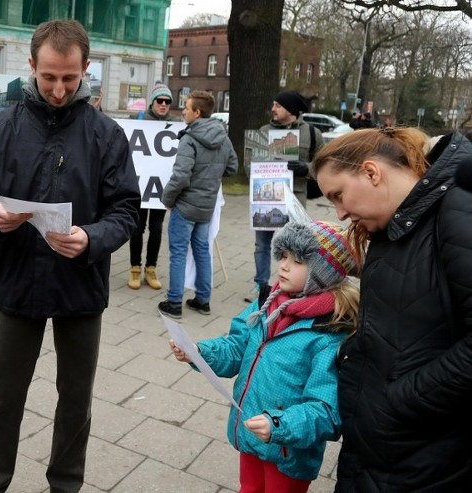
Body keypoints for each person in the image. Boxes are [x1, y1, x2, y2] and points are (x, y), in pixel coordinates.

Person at [0, 19, 140, 492]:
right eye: (48, 77)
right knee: (3, 398)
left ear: (86, 70)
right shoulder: (1, 127)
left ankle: (65, 486)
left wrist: (93, 238)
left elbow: (125, 209)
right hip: (16, 282)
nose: (59, 89)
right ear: (31, 67)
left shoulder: (106, 134)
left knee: (75, 401)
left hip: (80, 287)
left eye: (70, 78)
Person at [313, 127, 472, 491]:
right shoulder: (398, 224)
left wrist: (403, 398)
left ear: (371, 172)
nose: (338, 214)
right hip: (384, 450)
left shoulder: (458, 211)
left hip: (426, 456)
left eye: (338, 195)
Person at [170, 220, 359, 493]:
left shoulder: (329, 332)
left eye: (297, 260)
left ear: (323, 273)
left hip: (286, 449)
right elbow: (237, 348)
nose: (283, 265)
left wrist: (279, 425)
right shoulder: (268, 303)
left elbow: (327, 411)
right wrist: (198, 353)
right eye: (282, 256)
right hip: (252, 431)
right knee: (249, 487)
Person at [158, 90, 237, 318]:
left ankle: (174, 302)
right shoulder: (223, 137)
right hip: (206, 206)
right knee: (203, 251)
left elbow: (181, 175)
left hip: (185, 205)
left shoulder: (189, 139)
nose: (183, 111)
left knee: (179, 253)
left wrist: (167, 199)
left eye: (186, 107)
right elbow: (231, 168)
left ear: (197, 112)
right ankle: (203, 300)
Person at [247, 91, 324, 303]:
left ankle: (292, 286)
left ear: (290, 110)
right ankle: (261, 286)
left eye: (277, 105)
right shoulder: (263, 132)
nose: (273, 109)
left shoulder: (311, 132)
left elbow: (327, 164)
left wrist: (306, 169)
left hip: (295, 200)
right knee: (262, 245)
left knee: (293, 245)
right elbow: (249, 165)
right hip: (265, 198)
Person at [126, 83, 179, 290]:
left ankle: (151, 268)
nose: (164, 105)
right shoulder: (138, 120)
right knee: (137, 228)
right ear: (153, 102)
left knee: (156, 229)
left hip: (161, 189)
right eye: (160, 101)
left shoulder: (176, 124)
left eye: (167, 101)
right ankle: (135, 268)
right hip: (140, 188)